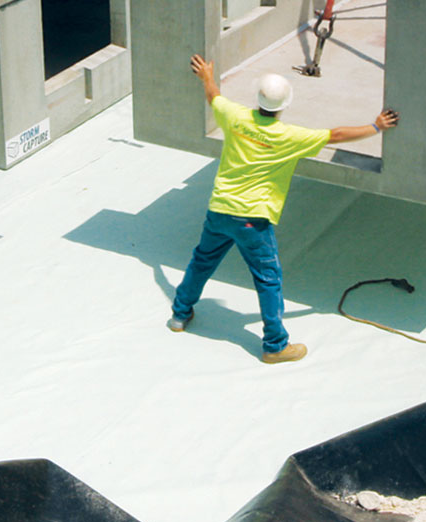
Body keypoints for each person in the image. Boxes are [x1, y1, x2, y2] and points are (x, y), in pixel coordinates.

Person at [168, 55, 397, 364]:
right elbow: (337, 135)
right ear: (284, 105)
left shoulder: (235, 118)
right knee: (267, 279)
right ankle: (275, 345)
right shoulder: (289, 137)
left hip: (220, 209)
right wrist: (376, 126)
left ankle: (180, 316)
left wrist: (207, 75)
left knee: (202, 261)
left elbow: (214, 97)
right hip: (253, 221)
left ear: (258, 99)